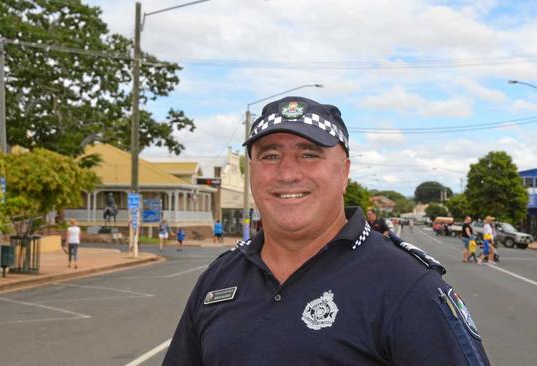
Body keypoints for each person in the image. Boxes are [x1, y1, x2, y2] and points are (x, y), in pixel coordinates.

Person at [164, 96, 489, 365]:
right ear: (252, 172)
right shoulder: (218, 278)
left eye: (309, 155)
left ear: (344, 171)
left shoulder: (408, 287)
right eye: (270, 155)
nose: (288, 173)